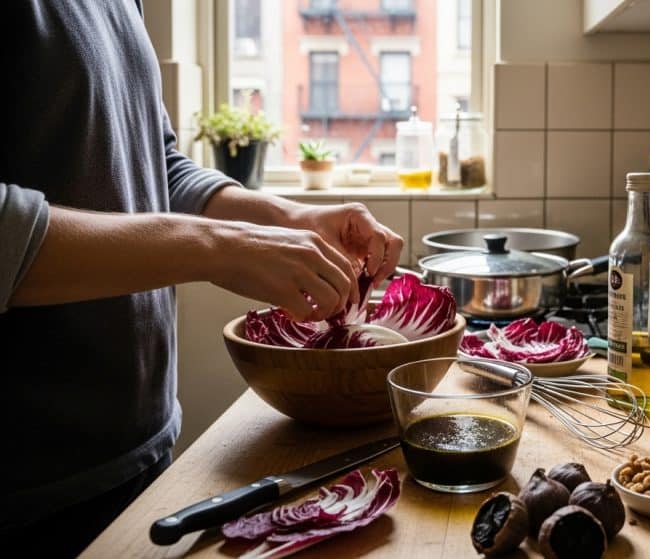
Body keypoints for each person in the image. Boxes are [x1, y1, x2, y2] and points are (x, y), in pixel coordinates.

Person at [0, 2, 403, 555]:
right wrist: (216, 247)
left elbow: (157, 164)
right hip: (25, 493)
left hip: (143, 450)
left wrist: (289, 218)